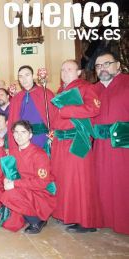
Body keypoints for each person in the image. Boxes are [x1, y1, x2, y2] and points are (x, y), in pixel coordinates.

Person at [50, 60, 101, 233]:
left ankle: (86, 221)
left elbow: (93, 109)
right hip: (60, 141)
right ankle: (68, 215)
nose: (65, 72)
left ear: (78, 72)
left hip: (77, 140)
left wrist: (66, 111)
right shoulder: (60, 91)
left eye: (69, 69)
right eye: (62, 69)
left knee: (80, 180)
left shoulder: (86, 87)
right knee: (64, 180)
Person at [93, 51, 129, 235]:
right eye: (98, 66)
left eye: (106, 64)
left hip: (123, 146)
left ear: (117, 65)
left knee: (123, 183)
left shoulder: (127, 83)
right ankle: (105, 219)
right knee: (103, 183)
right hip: (100, 147)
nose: (102, 69)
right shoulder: (94, 90)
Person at [0, 120, 56, 234]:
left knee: (10, 194)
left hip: (40, 192)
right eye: (16, 132)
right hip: (24, 189)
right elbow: (10, 172)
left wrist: (15, 184)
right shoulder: (13, 152)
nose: (19, 136)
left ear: (30, 135)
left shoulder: (39, 154)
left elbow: (41, 183)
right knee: (9, 221)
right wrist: (6, 179)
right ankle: (27, 214)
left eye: (23, 132)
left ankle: (38, 220)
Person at [8, 65, 56, 151]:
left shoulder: (45, 93)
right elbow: (12, 123)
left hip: (43, 139)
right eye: (20, 76)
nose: (24, 79)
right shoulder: (16, 99)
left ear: (33, 76)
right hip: (24, 140)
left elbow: (55, 117)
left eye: (27, 75)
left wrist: (53, 135)